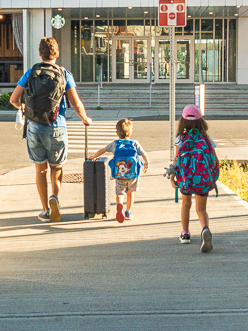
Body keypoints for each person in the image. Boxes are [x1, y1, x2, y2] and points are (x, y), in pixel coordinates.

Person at [10, 37, 92, 222]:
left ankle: (45, 210)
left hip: (34, 127)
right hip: (57, 127)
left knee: (40, 169)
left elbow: (14, 99)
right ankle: (55, 197)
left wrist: (25, 109)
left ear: (40, 53)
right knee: (57, 167)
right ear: (57, 54)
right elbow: (77, 104)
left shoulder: (30, 73)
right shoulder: (64, 74)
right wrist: (85, 119)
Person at [170, 104, 219, 252]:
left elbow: (177, 160)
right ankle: (205, 229)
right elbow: (215, 160)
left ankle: (185, 234)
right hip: (203, 180)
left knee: (186, 204)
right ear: (200, 121)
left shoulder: (181, 138)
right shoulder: (206, 138)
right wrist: (214, 177)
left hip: (186, 180)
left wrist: (173, 176)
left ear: (183, 122)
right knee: (201, 208)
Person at [87, 118, 150, 223]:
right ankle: (128, 212)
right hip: (133, 175)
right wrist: (147, 163)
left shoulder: (115, 144)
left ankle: (119, 205)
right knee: (130, 193)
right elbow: (144, 154)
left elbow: (102, 150)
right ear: (131, 132)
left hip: (119, 175)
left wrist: (93, 156)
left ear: (117, 133)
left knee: (120, 192)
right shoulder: (135, 144)